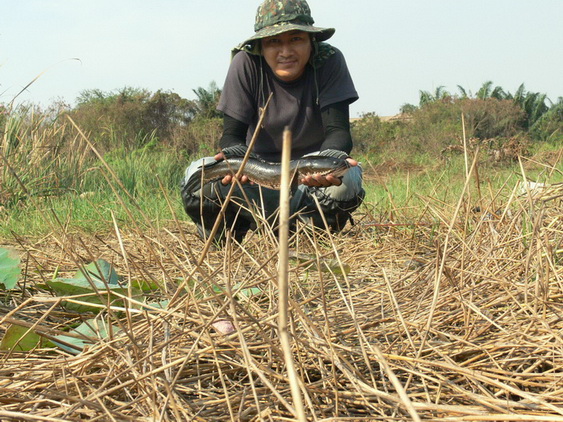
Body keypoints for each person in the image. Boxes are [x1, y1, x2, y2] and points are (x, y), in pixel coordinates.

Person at [181, 0, 365, 244]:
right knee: (197, 174)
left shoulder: (328, 60)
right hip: (254, 179)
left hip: (307, 187)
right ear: (260, 46)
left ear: (311, 41)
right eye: (274, 42)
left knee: (349, 178)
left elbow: (338, 133)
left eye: (296, 39)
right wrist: (236, 163)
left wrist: (329, 163)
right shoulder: (246, 63)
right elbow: (231, 136)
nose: (285, 52)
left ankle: (310, 236)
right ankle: (229, 233)